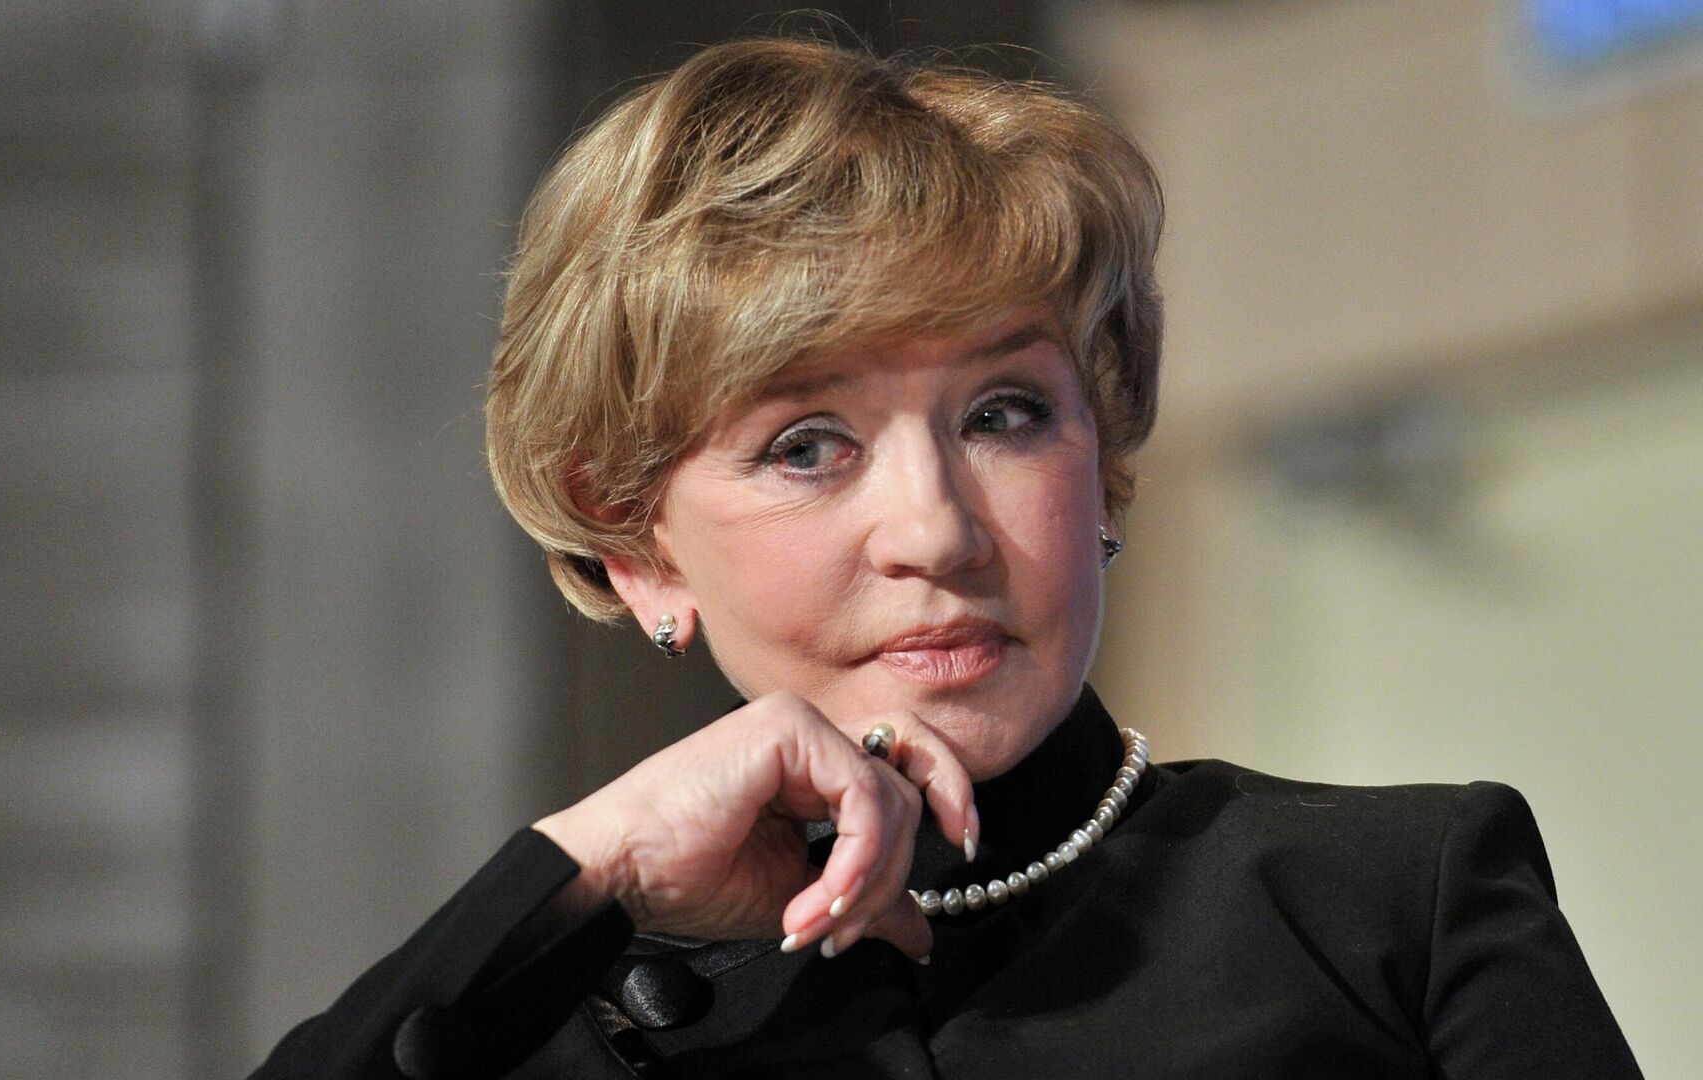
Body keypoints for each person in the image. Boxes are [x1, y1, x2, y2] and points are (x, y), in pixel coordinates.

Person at [249, 37, 1640, 1080]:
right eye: (806, 445)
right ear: (634, 546)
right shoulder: (532, 1031)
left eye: (1004, 415)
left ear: (1105, 457)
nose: (937, 530)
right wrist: (580, 870)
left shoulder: (1393, 898)